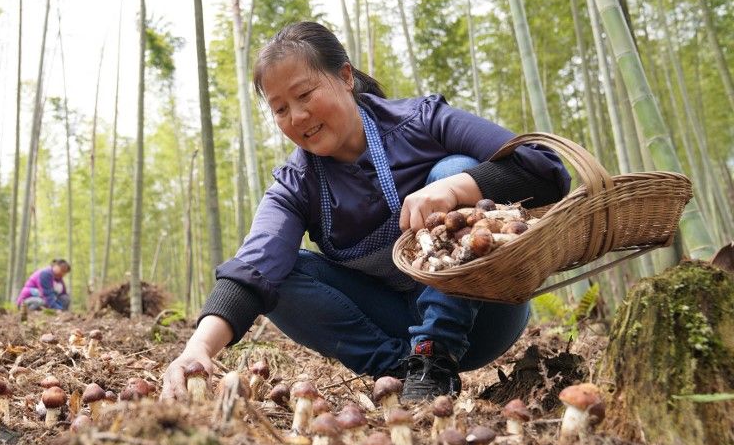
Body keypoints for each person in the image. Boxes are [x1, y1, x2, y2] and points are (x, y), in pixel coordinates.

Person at [162, 22, 570, 403]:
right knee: (278, 270)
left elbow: (545, 168)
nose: (297, 116)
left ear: (345, 77)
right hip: (393, 324)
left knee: (452, 168)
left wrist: (453, 188)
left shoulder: (422, 121)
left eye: (305, 95)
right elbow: (254, 267)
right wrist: (197, 348)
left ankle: (434, 355)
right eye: (280, 109)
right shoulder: (296, 182)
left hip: (486, 309)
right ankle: (402, 373)